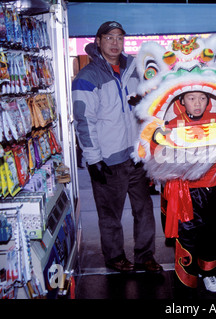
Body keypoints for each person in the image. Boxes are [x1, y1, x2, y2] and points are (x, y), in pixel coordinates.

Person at [72, 21, 162, 273]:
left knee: (144, 210)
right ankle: (114, 257)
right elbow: (83, 121)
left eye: (119, 38)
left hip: (136, 156)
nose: (115, 43)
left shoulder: (134, 71)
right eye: (109, 37)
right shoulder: (86, 77)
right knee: (110, 215)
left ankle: (146, 255)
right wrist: (93, 159)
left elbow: (148, 106)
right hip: (107, 159)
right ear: (98, 41)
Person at [160, 91, 216, 295]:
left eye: (202, 98)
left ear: (208, 100)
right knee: (187, 236)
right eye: (191, 98)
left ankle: (208, 273)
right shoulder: (172, 124)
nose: (197, 103)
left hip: (210, 189)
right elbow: (159, 156)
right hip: (184, 192)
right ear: (181, 101)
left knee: (213, 233)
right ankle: (186, 278)